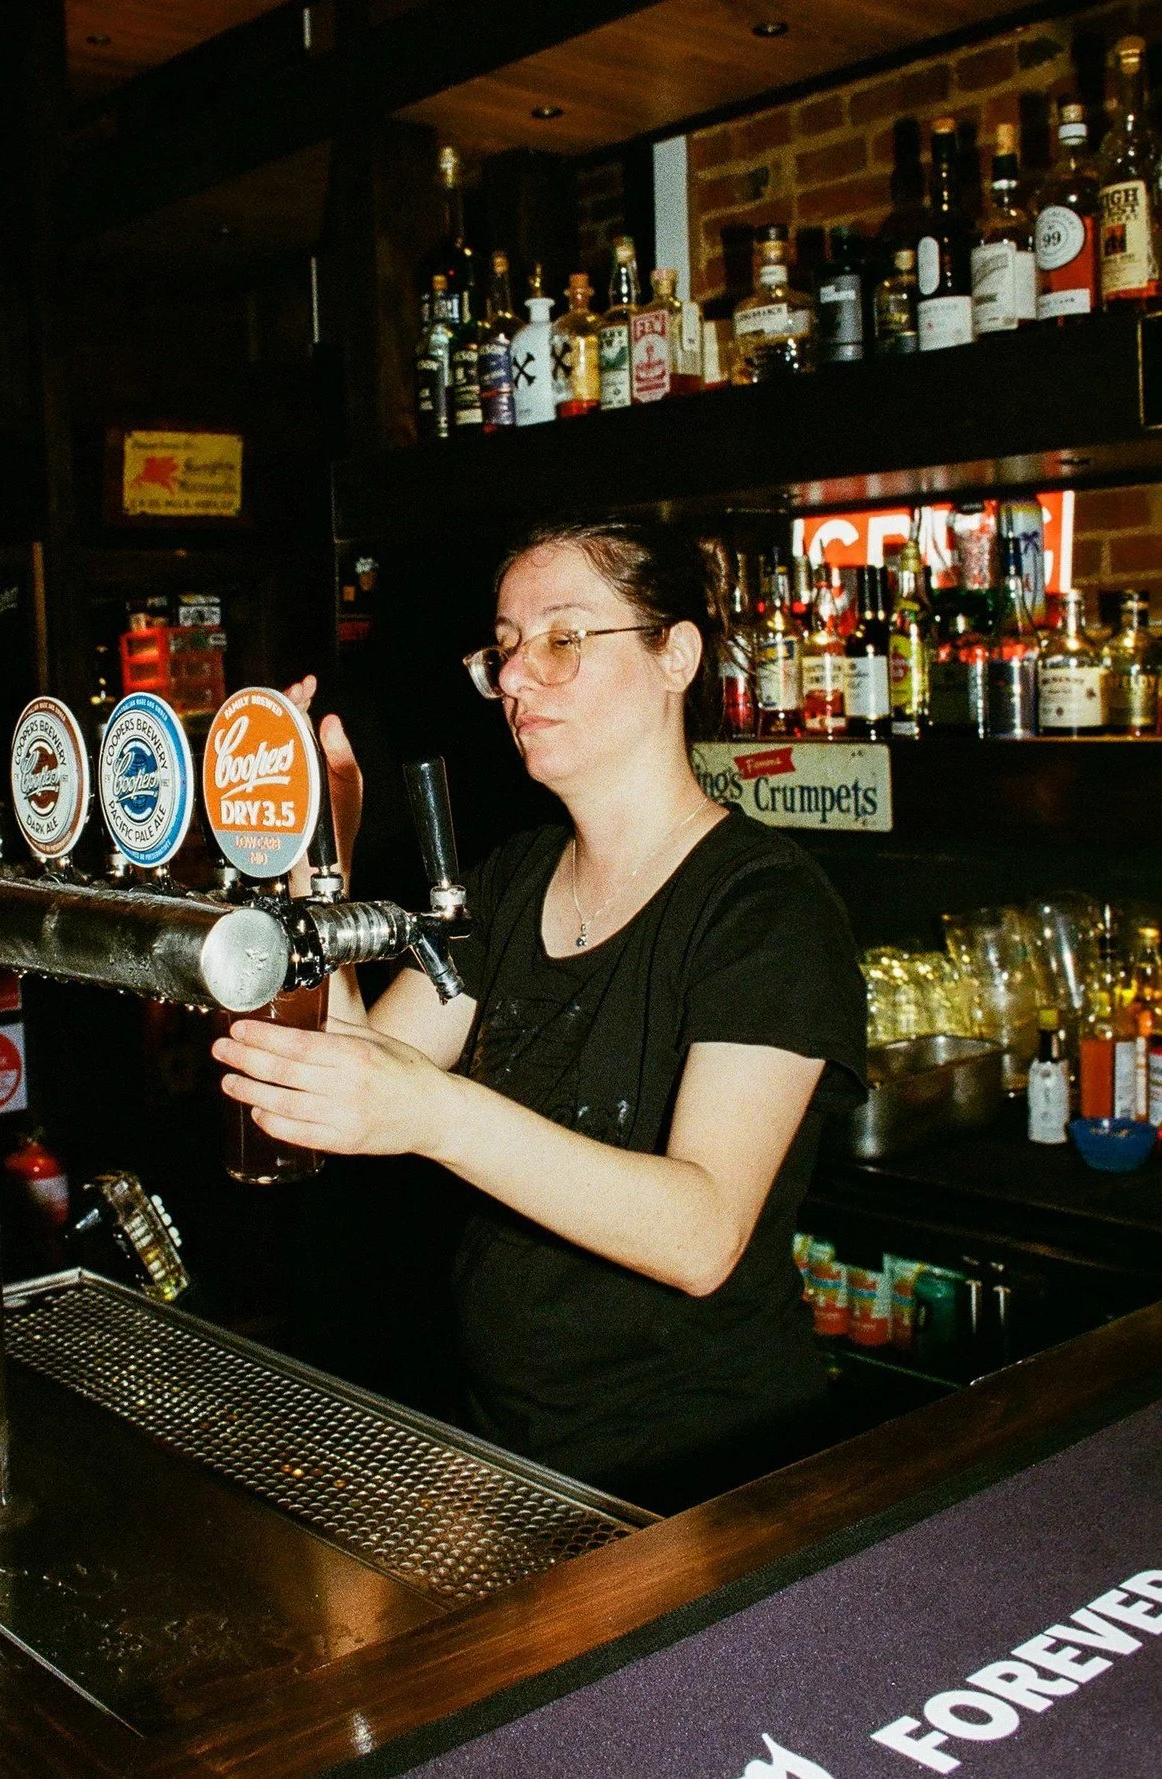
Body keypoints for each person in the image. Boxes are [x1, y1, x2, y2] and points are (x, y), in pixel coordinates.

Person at [212, 517, 866, 1512]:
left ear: (676, 655)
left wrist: (433, 1112)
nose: (516, 678)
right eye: (506, 649)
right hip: (511, 1448)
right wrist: (310, 852)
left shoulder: (763, 907)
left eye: (562, 639)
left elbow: (702, 1234)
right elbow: (358, 1068)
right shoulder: (513, 882)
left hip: (706, 1476)